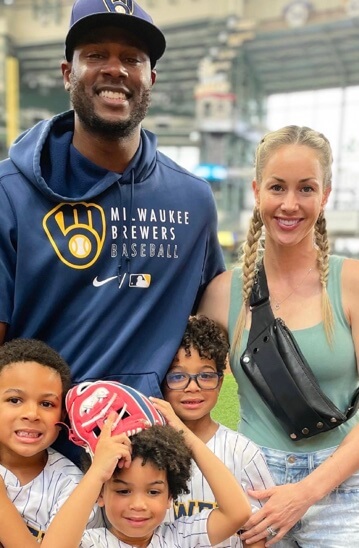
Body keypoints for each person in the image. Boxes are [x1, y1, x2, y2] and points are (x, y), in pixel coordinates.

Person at [0, 0, 224, 461]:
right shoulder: (10, 192)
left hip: (151, 469)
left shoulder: (193, 199)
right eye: (96, 54)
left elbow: (209, 327)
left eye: (133, 58)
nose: (115, 70)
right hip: (39, 458)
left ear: (151, 79)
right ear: (68, 72)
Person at [198, 125, 359, 547]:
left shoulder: (351, 283)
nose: (290, 204)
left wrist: (306, 494)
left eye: (306, 189)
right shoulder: (220, 294)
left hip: (342, 487)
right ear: (256, 190)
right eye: (277, 187)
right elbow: (186, 384)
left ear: (325, 195)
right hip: (250, 482)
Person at [2, 396, 253, 547]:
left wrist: (185, 436)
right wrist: (98, 472)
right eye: (123, 490)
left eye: (154, 491)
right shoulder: (90, 542)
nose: (138, 504)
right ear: (100, 495)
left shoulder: (182, 536)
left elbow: (238, 511)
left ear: (170, 497)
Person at [163, 315, 275, 547]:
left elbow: (258, 534)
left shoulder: (242, 452)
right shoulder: (147, 449)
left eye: (205, 375)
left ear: (221, 382)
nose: (192, 387)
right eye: (177, 376)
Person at [0, 338, 103, 544]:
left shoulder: (72, 485)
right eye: (14, 400)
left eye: (46, 404)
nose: (31, 414)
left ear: (63, 415)